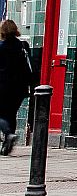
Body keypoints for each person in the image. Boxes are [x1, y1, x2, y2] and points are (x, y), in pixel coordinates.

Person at [0, 20, 37, 155]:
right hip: (20, 88)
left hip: (3, 86)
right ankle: (7, 146)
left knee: (2, 114)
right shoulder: (23, 45)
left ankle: (8, 134)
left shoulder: (1, 47)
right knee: (10, 114)